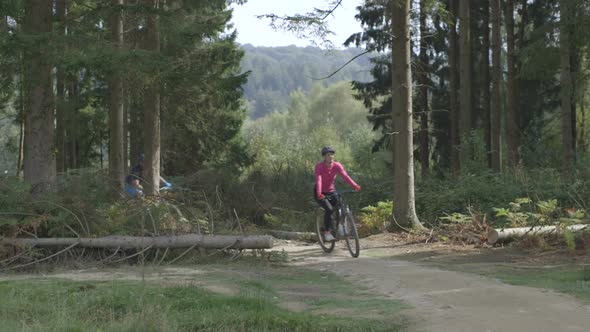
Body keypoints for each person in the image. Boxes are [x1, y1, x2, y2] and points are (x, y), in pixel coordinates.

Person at [314, 146, 361, 242]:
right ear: (324, 157)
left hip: (331, 191)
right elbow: (319, 180)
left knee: (341, 206)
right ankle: (327, 232)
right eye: (328, 155)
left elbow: (345, 176)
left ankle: (341, 226)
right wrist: (319, 193)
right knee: (329, 209)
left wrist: (355, 185)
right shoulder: (319, 167)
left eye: (332, 155)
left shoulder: (337, 165)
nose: (331, 157)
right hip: (320, 192)